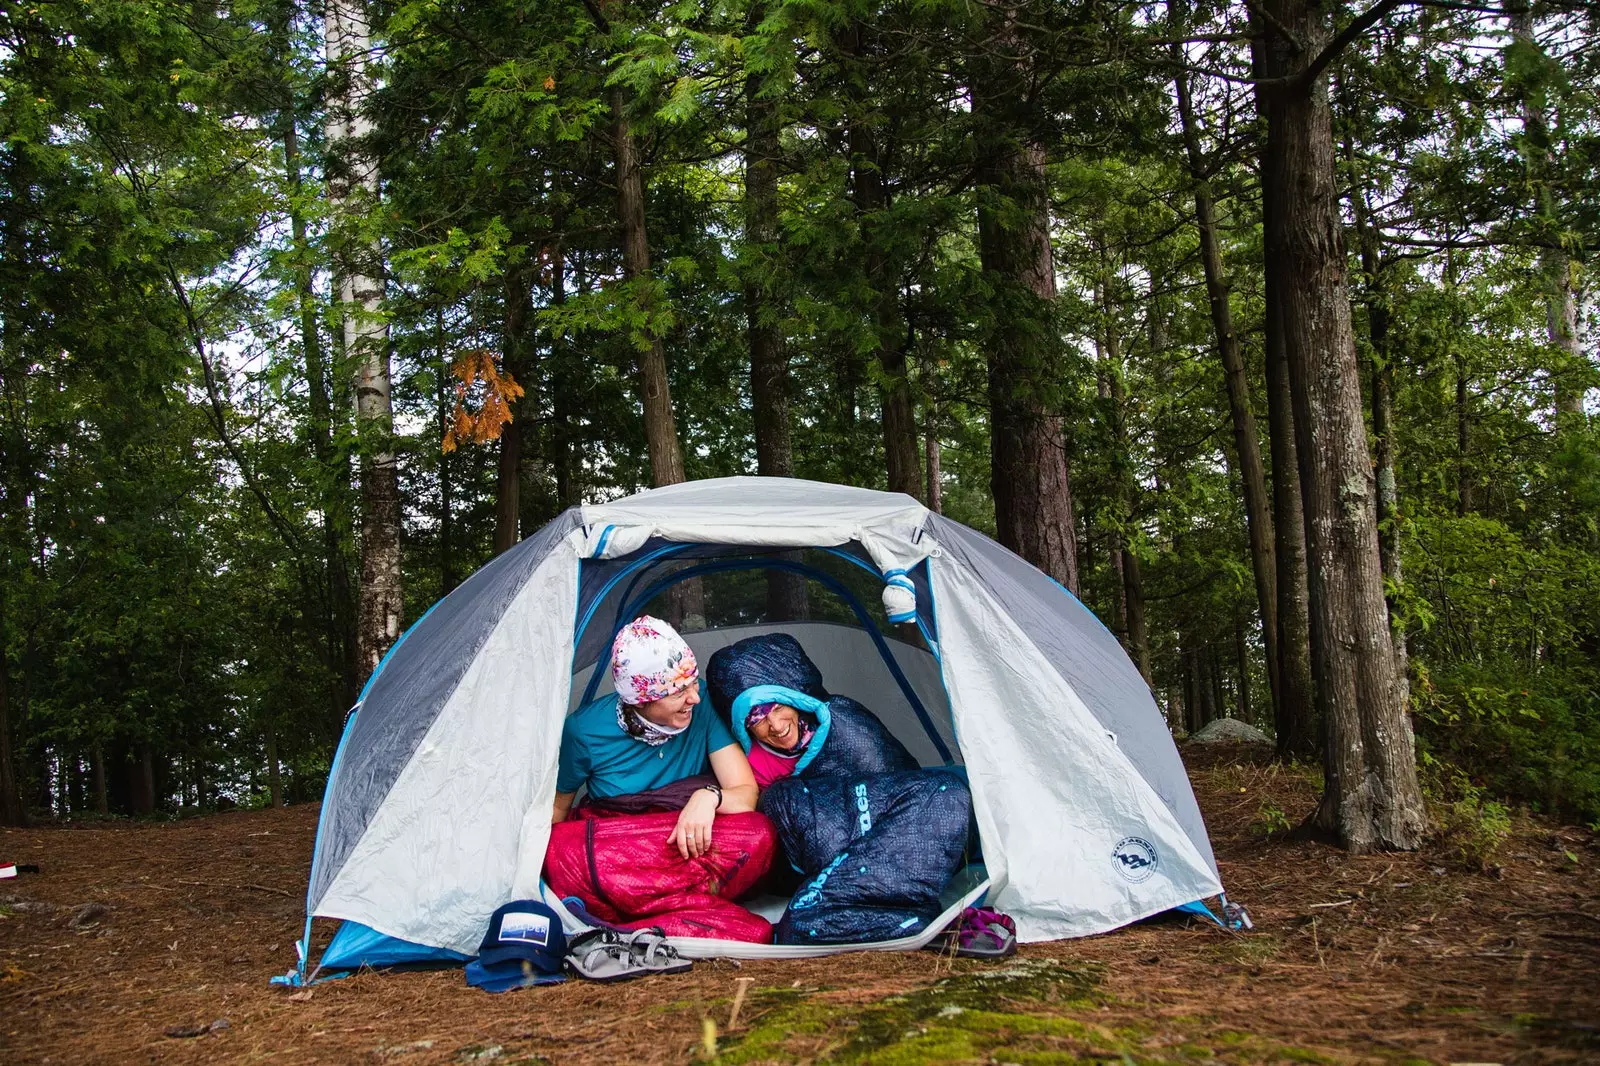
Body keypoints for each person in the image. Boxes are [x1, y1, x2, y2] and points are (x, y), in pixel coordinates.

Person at [552, 615, 758, 859]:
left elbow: (745, 792)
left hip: (693, 836)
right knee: (562, 850)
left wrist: (709, 797)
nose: (695, 698)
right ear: (640, 702)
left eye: (692, 682)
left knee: (759, 833)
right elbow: (557, 808)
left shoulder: (702, 704)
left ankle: (642, 893)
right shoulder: (584, 730)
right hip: (623, 847)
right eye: (678, 692)